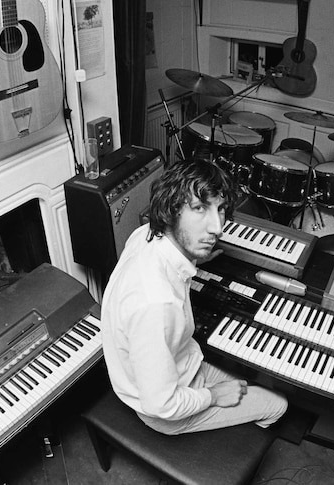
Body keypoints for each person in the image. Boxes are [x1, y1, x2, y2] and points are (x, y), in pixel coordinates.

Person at [100, 159, 288, 435]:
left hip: (181, 367)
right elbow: (161, 405)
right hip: (167, 410)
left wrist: (193, 258)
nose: (217, 228)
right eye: (199, 208)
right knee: (278, 404)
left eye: (221, 209)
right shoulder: (157, 305)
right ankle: (230, 451)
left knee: (258, 376)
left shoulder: (144, 235)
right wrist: (214, 396)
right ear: (171, 210)